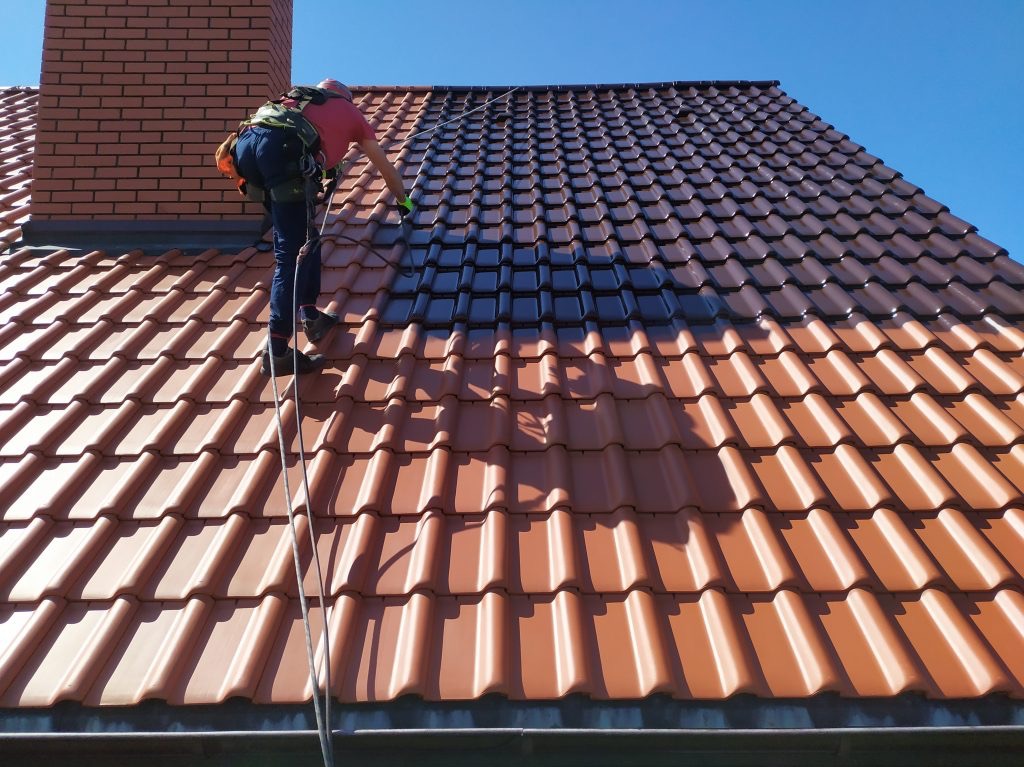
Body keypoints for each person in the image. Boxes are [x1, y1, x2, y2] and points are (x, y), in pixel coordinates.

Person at [231, 79, 414, 376]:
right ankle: (276, 351)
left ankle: (311, 315)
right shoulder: (350, 112)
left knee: (306, 239)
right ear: (345, 97)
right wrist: (403, 201)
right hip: (282, 150)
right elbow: (384, 166)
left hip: (245, 148)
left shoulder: (297, 101)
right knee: (291, 255)